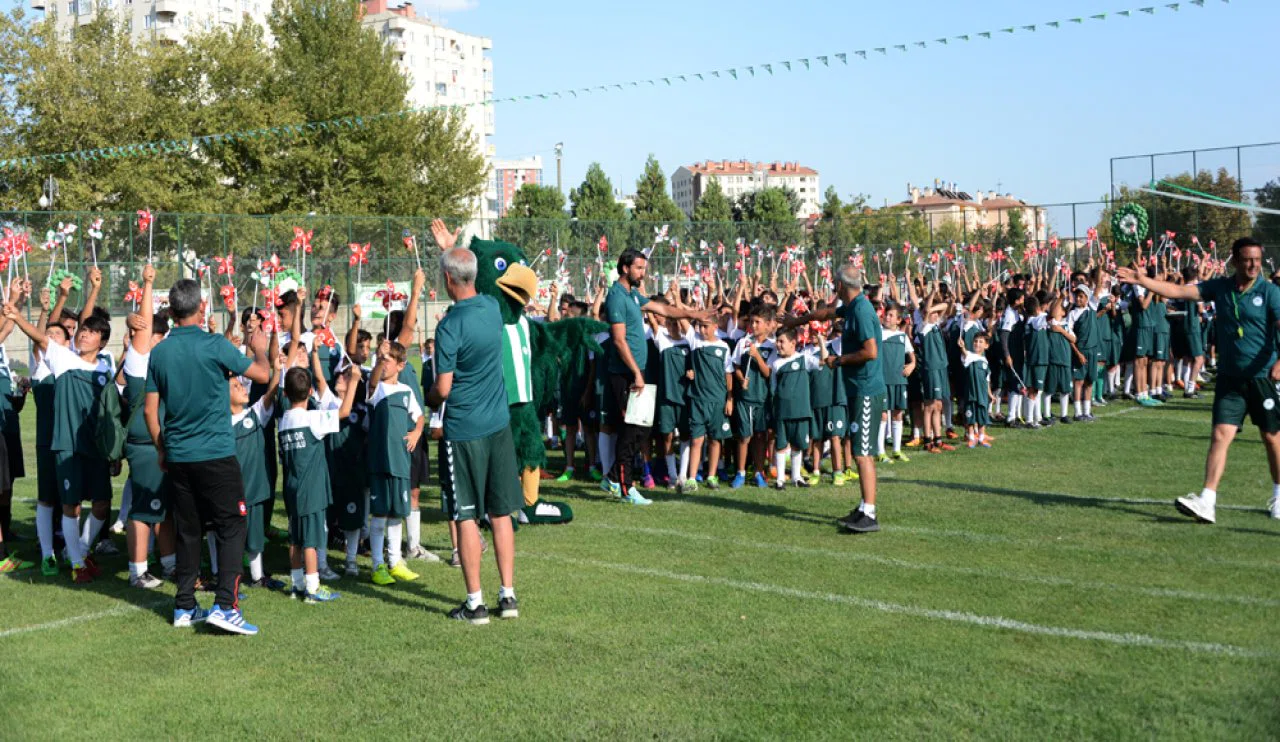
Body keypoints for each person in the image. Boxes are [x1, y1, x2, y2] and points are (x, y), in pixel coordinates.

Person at [1118, 237, 1280, 523]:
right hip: (1230, 379)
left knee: (1271, 438)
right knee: (1220, 435)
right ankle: (1207, 500)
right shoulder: (1220, 287)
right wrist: (1144, 281)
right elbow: (1179, 290)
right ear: (1235, 260)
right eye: (1247, 259)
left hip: (1261, 377)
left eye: (1257, 259)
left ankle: (1279, 494)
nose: (1254, 265)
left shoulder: (1270, 293)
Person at [144, 278, 272, 634]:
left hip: (179, 456)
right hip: (215, 453)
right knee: (233, 524)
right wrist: (258, 346)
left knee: (189, 531)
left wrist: (161, 448)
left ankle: (184, 605)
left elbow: (150, 411)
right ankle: (225, 606)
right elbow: (263, 373)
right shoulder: (214, 345)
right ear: (202, 308)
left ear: (170, 312)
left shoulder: (160, 352)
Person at [427, 246, 522, 624]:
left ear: (448, 279)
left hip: (464, 430)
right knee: (500, 512)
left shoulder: (449, 325)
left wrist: (428, 395)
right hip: (498, 425)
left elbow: (444, 389)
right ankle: (508, 596)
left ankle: (475, 603)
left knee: (465, 515)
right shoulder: (492, 309)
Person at [3, 287, 115, 583]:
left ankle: (78, 549)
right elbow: (40, 338)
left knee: (103, 503)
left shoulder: (105, 370)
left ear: (102, 341)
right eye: (81, 331)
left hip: (96, 447)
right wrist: (16, 315)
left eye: (90, 332)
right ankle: (76, 562)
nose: (83, 334)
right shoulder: (63, 358)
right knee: (68, 504)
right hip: (66, 445)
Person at [601, 248, 706, 503]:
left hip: (638, 372)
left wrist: (693, 314)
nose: (642, 273)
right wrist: (636, 372)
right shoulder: (616, 296)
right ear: (625, 268)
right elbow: (618, 340)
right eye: (639, 268)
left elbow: (665, 311)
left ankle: (613, 477)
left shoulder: (633, 295)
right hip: (626, 373)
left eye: (644, 268)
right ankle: (625, 487)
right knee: (631, 428)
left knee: (643, 427)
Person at [787, 264, 884, 533]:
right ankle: (864, 507)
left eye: (834, 285)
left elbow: (871, 352)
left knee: (863, 453)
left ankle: (870, 512)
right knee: (860, 451)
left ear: (841, 286)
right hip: (857, 389)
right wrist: (796, 321)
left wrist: (838, 360)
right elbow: (828, 312)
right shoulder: (853, 307)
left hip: (865, 390)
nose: (833, 289)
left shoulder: (862, 310)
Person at [366, 340, 425, 586]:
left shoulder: (406, 391)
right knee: (379, 514)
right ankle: (377, 564)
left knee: (396, 514)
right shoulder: (377, 389)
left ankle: (395, 561)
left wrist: (416, 433)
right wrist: (379, 357)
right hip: (380, 462)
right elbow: (371, 383)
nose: (384, 364)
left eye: (388, 360)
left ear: (401, 365)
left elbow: (420, 417)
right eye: (382, 360)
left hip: (400, 462)